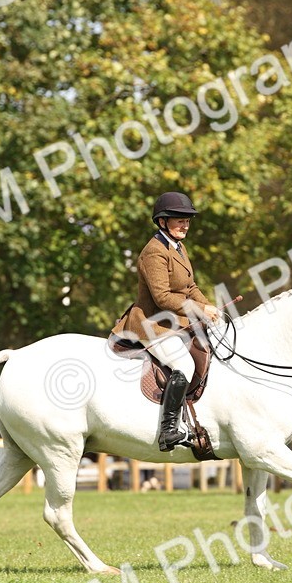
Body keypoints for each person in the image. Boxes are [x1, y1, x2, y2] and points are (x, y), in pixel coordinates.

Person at [111, 192, 221, 451]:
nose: (185, 225)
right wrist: (199, 308)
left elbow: (190, 286)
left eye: (187, 220)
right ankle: (168, 430)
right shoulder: (154, 252)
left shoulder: (178, 247)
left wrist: (208, 307)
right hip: (152, 323)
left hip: (175, 320)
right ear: (162, 222)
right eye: (178, 220)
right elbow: (162, 297)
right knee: (183, 362)